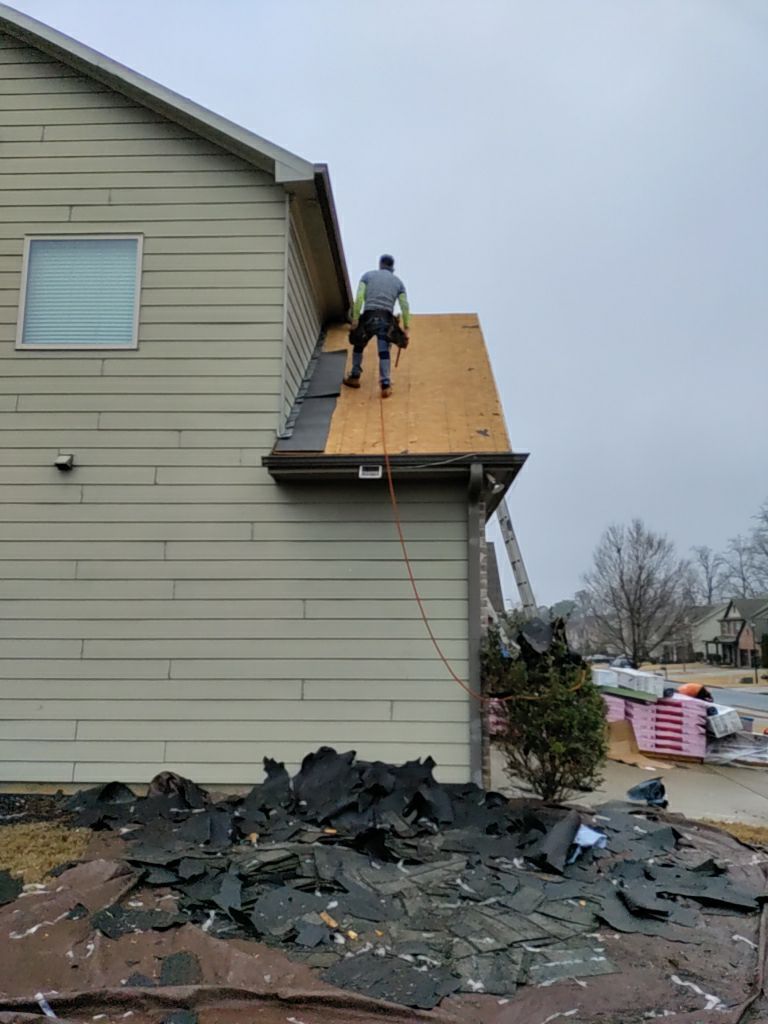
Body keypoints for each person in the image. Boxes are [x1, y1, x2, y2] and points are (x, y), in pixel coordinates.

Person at [344, 254, 410, 398]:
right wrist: (406, 328)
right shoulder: (398, 283)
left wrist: (355, 319)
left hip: (368, 315)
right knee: (383, 350)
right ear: (393, 268)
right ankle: (385, 385)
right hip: (386, 318)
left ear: (380, 264)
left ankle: (354, 376)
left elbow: (360, 297)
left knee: (359, 343)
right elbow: (404, 305)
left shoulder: (367, 276)